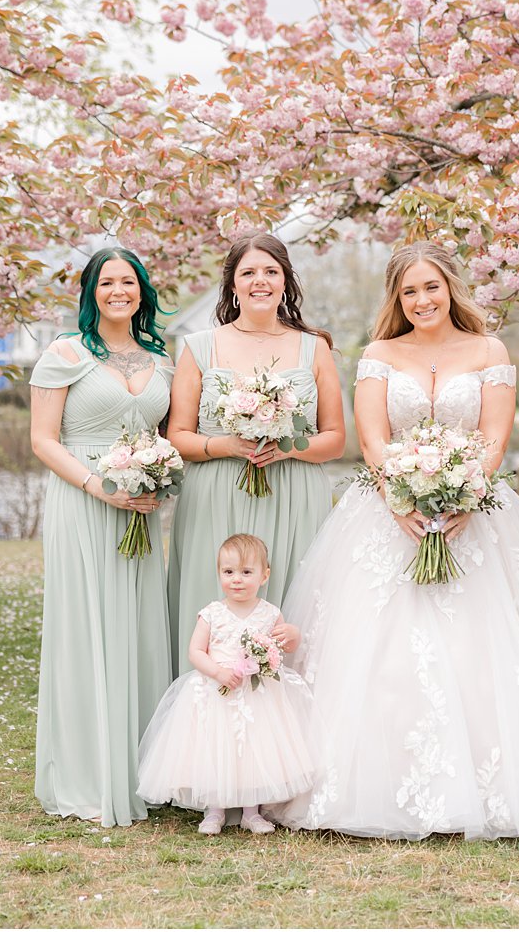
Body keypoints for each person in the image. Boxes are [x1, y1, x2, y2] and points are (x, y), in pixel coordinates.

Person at [272, 241, 519, 841]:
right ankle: (370, 784)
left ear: (451, 287)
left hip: (475, 512)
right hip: (386, 514)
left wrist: (463, 498)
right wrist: (402, 496)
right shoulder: (378, 354)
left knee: (486, 648)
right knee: (380, 653)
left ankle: (496, 787)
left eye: (431, 287)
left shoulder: (489, 350)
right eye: (409, 292)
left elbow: (494, 439)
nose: (422, 300)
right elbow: (372, 440)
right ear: (397, 300)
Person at [28, 247, 174, 827]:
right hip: (84, 499)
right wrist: (97, 485)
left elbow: (167, 433)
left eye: (129, 281)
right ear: (89, 292)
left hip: (139, 504)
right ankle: (90, 777)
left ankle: (143, 770)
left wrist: (157, 480)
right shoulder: (65, 353)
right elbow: (42, 440)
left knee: (138, 628)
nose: (120, 290)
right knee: (87, 627)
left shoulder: (162, 357)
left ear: (143, 290)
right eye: (107, 281)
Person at [165, 232, 342, 669]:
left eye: (271, 271)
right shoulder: (199, 347)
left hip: (294, 493)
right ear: (232, 284)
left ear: (285, 282)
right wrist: (223, 444)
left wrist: (288, 449)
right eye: (248, 272)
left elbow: (336, 439)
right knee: (214, 608)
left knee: (293, 602)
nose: (259, 281)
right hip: (216, 494)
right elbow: (178, 436)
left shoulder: (314, 347)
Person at [136, 534, 317, 835]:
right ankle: (214, 810)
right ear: (219, 573)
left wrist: (282, 644)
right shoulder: (212, 613)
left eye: (246, 572)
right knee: (214, 748)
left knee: (255, 750)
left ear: (264, 575)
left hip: (257, 695)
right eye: (228, 572)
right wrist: (218, 672)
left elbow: (279, 648)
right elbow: (195, 651)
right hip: (216, 693)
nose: (237, 580)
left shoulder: (270, 613)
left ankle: (251, 811)